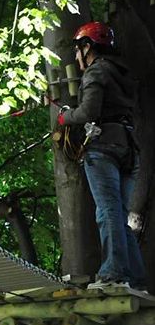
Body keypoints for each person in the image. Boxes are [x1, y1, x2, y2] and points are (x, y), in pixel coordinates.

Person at [58, 22, 146, 292]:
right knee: (119, 214)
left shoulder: (97, 71)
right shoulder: (123, 73)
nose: (76, 57)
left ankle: (113, 274)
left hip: (103, 147)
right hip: (128, 148)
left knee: (107, 211)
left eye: (78, 50)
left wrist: (65, 117)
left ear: (88, 47)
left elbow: (88, 112)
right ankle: (135, 279)